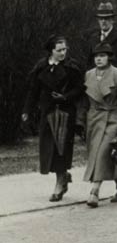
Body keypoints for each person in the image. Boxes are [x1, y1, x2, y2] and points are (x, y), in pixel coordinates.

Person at [21, 35, 85, 202]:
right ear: (51, 51)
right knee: (49, 148)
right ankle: (63, 177)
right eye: (59, 50)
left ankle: (59, 184)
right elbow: (33, 91)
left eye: (65, 49)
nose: (63, 53)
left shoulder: (72, 67)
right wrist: (26, 111)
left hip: (65, 113)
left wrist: (65, 96)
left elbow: (80, 89)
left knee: (61, 148)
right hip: (47, 112)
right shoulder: (41, 67)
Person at [80, 42, 117, 208]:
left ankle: (94, 191)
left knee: (102, 153)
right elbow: (84, 101)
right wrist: (80, 121)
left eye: (102, 56)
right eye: (96, 56)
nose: (99, 59)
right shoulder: (88, 75)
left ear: (109, 57)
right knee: (102, 155)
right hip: (94, 119)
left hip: (112, 118)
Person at [83, 2, 117, 83]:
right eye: (101, 19)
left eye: (106, 18)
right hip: (96, 86)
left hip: (115, 85)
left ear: (112, 20)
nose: (103, 21)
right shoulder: (93, 38)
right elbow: (89, 63)